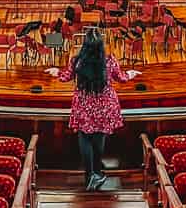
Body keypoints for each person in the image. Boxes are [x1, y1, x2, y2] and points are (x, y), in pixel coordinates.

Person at [48, 31, 139, 191]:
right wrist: (131, 74)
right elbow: (122, 78)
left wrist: (56, 72)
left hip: (84, 105)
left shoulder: (77, 61)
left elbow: (65, 77)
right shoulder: (109, 62)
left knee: (84, 137)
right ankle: (97, 172)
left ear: (85, 46)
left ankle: (90, 175)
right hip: (104, 106)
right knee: (99, 137)